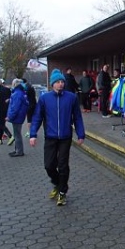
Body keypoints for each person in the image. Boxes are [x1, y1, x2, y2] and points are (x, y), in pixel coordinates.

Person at [30, 69, 85, 206]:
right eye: (58, 82)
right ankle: (57, 184)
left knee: (63, 165)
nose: (60, 84)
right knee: (49, 165)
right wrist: (33, 134)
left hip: (65, 137)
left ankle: (62, 192)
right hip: (50, 136)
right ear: (52, 84)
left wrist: (81, 134)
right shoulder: (44, 99)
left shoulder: (71, 98)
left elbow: (77, 117)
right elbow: (37, 117)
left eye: (62, 82)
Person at [6, 78, 29, 157]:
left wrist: (9, 116)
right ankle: (17, 150)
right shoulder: (22, 92)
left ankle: (19, 151)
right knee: (17, 134)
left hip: (17, 117)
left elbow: (15, 107)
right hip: (20, 116)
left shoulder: (17, 94)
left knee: (17, 134)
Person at [0, 78, 14, 145]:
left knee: (1, 123)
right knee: (1, 123)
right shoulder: (7, 89)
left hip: (1, 108)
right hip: (7, 107)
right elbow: (11, 97)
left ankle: (10, 136)